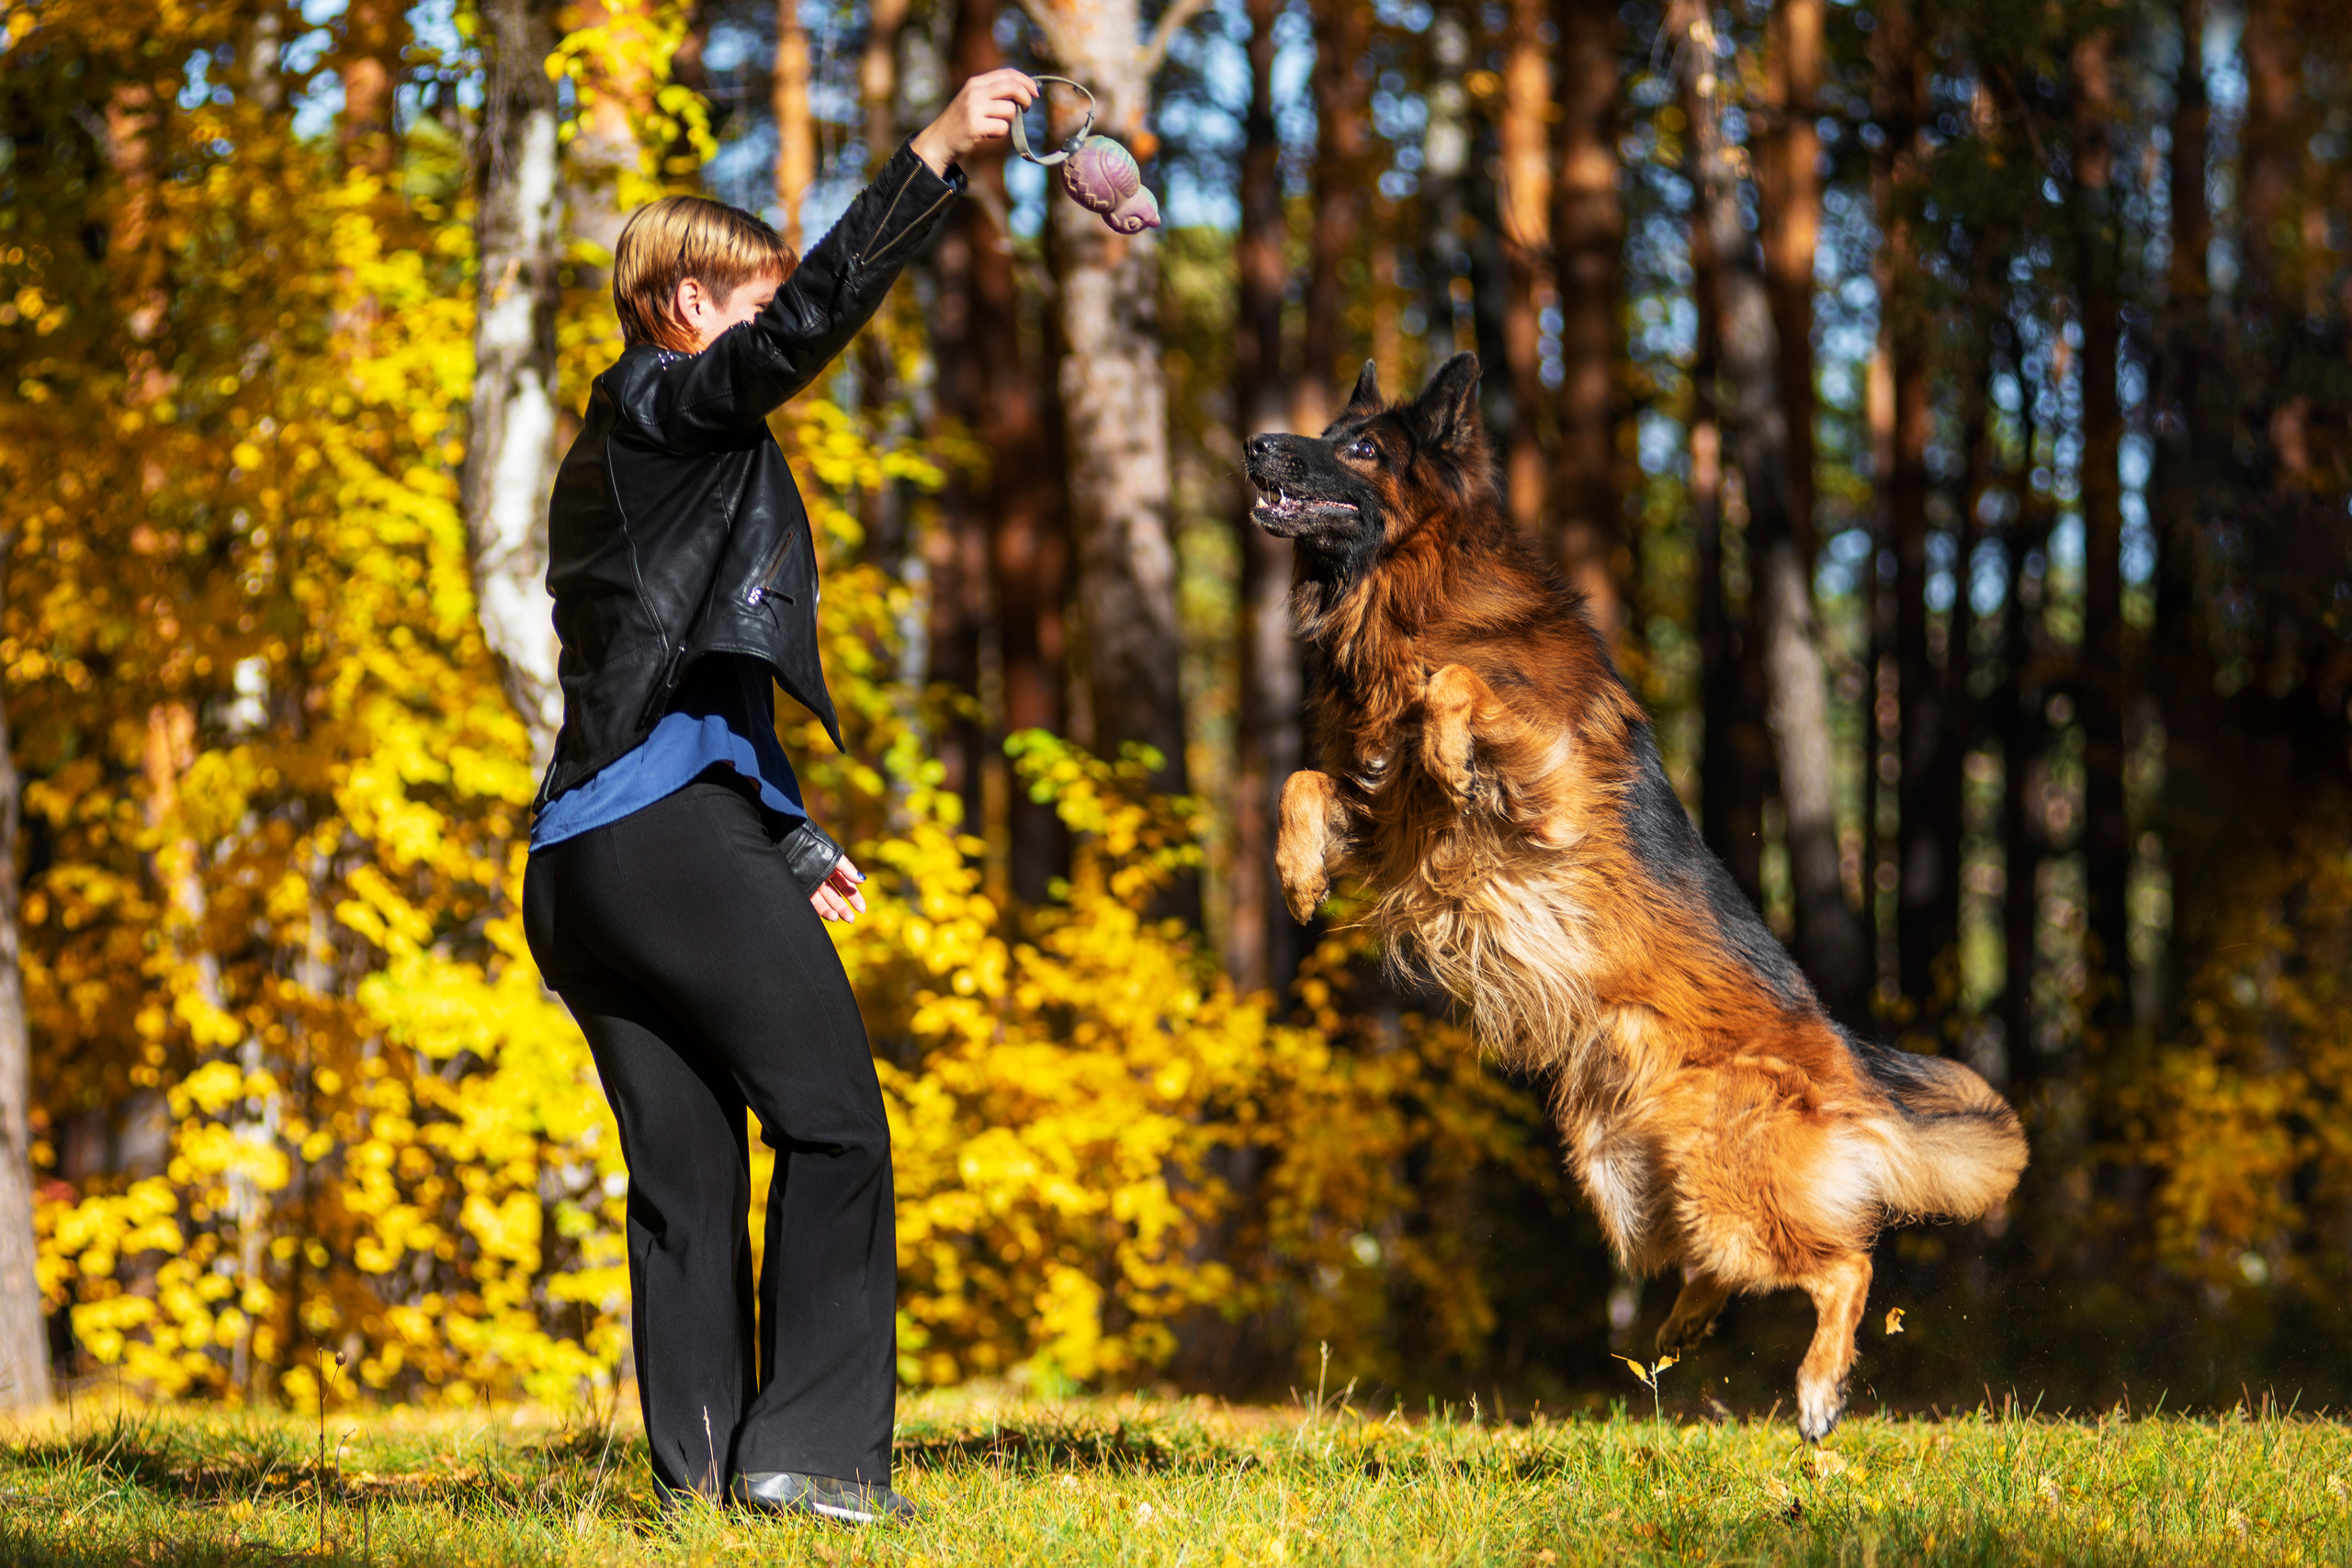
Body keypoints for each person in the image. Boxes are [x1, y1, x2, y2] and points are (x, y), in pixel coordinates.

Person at [521, 70, 1038, 1523]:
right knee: (833, 1125)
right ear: (683, 305)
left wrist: (790, 834)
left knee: (687, 1177)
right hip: (661, 844)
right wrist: (932, 158)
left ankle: (699, 1489)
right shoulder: (667, 407)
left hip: (581, 865)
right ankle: (810, 1455)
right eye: (748, 304)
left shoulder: (628, 464)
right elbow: (807, 328)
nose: (769, 331)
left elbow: (687, 680)